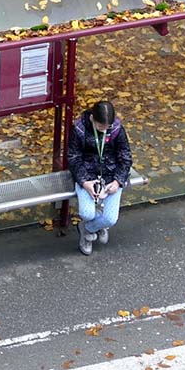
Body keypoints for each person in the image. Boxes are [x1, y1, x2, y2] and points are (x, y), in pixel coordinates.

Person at [67, 100, 133, 255]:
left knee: (110, 219)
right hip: (88, 175)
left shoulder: (116, 129)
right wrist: (84, 182)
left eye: (107, 127)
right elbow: (74, 158)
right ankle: (95, 225)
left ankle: (87, 229)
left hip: (111, 176)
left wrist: (117, 181)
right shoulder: (79, 129)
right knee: (86, 213)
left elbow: (125, 157)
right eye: (101, 126)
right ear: (92, 119)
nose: (105, 130)